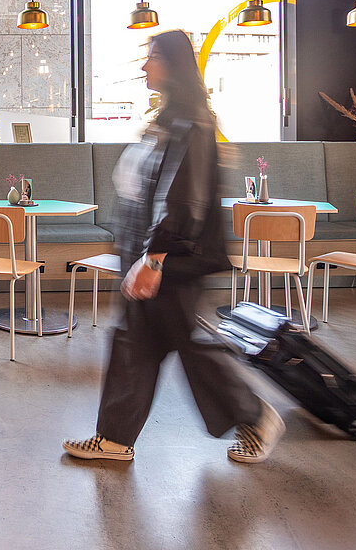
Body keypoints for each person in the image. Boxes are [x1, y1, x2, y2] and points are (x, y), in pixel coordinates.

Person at [62, 29, 284, 464]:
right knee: (134, 343)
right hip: (146, 255)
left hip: (170, 261)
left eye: (154, 57)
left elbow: (182, 199)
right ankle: (115, 438)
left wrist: (154, 259)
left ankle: (255, 416)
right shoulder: (169, 119)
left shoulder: (192, 124)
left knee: (188, 344)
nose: (145, 66)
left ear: (175, 65)